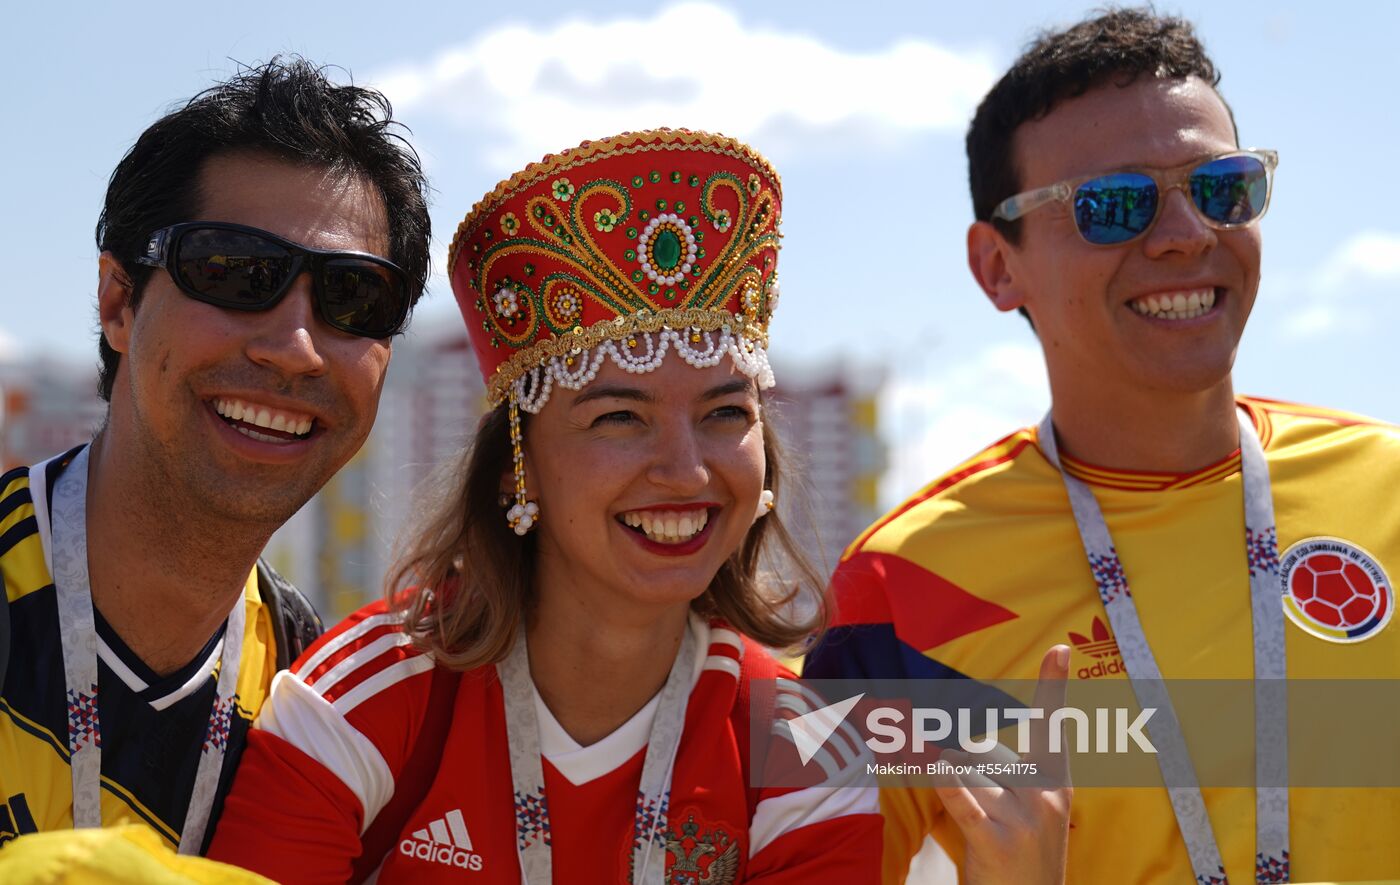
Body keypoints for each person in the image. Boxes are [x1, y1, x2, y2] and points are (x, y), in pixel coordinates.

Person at [806, 7, 1400, 884]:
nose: (1185, 234)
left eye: (1221, 186)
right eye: (1113, 207)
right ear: (996, 267)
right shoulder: (900, 591)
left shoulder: (1388, 488)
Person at [204, 127, 886, 884]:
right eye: (620, 417)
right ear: (513, 469)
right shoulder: (365, 694)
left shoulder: (808, 742)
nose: (686, 469)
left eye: (727, 414)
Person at [0, 58, 431, 855]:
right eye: (235, 273)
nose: (296, 348)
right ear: (118, 303)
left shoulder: (324, 697)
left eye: (355, 296)